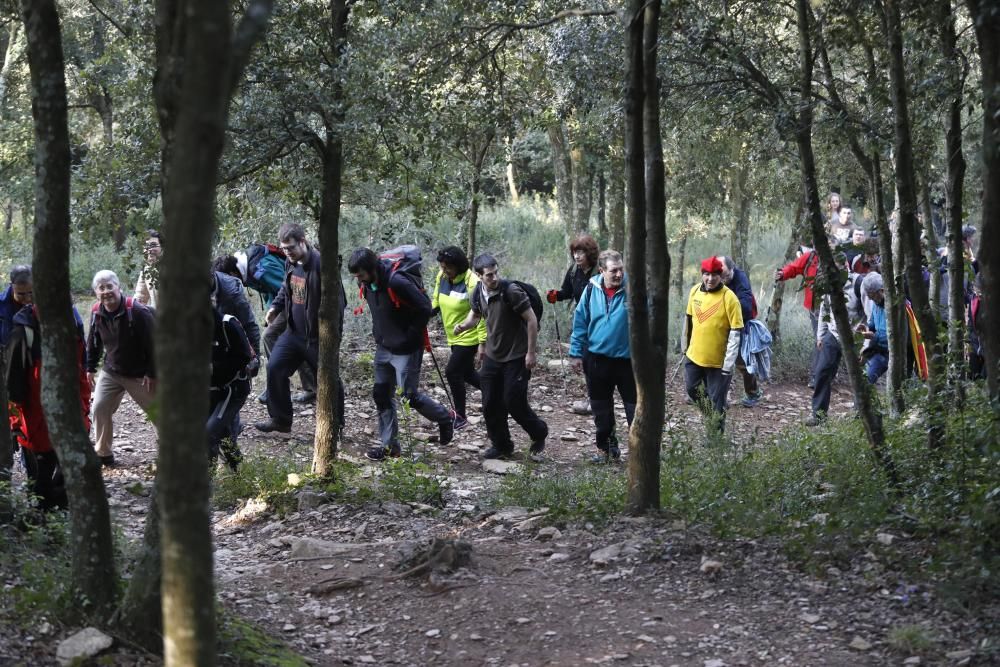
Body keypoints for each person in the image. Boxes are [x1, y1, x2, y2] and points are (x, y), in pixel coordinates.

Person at [349, 246, 454, 461]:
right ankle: (390, 447)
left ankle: (445, 418)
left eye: (360, 274)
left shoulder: (397, 281)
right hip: (384, 347)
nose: (358, 279)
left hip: (406, 349)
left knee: (409, 397)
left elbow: (425, 307)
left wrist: (410, 336)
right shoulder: (368, 283)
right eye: (356, 276)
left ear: (371, 268)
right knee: (381, 395)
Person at [456, 254, 548, 460]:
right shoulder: (477, 293)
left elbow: (531, 320)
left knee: (513, 401)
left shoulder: (511, 291)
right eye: (489, 275)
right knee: (489, 403)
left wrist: (531, 352)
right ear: (479, 276)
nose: (494, 277)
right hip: (492, 355)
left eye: (496, 272)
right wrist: (463, 326)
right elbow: (475, 315)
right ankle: (502, 445)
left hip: (517, 356)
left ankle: (539, 432)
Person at [6, 297, 91, 509]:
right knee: (42, 468)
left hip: (69, 410)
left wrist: (84, 405)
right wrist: (16, 423)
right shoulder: (22, 334)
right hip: (36, 417)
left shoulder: (71, 326)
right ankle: (41, 516)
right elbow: (13, 385)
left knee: (68, 463)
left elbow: (79, 369)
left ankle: (60, 510)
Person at [568, 250, 635, 463]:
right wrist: (576, 353)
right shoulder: (591, 289)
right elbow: (580, 323)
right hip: (596, 360)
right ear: (601, 270)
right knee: (601, 410)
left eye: (621, 269)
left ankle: (642, 453)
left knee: (635, 409)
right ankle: (607, 450)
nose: (618, 274)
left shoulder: (633, 290)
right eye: (613, 271)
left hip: (628, 362)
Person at [255, 224, 322, 433]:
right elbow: (286, 287)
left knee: (330, 381)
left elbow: (338, 303)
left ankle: (335, 427)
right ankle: (281, 420)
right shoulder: (290, 263)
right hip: (294, 332)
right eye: (284, 249)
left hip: (316, 337)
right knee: (275, 368)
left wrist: (330, 336)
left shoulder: (320, 265)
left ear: (303, 241)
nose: (287, 253)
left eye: (290, 248)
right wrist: (275, 306)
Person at [86, 270, 157, 467]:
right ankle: (103, 453)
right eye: (101, 288)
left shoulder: (137, 311)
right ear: (96, 292)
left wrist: (152, 372)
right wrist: (90, 367)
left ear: (119, 288)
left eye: (110, 286)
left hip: (140, 374)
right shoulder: (96, 312)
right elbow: (93, 341)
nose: (106, 291)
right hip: (112, 371)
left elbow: (155, 344)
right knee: (99, 407)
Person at [683, 257, 743, 436]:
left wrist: (728, 364)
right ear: (702, 275)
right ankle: (711, 417)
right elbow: (688, 322)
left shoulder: (729, 298)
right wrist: (684, 348)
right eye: (707, 274)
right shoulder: (694, 292)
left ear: (721, 276)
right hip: (694, 356)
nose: (710, 279)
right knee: (692, 391)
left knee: (718, 401)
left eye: (715, 275)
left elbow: (735, 334)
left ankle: (715, 438)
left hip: (719, 363)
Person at [432, 246, 487, 430]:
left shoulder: (472, 281)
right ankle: (496, 393)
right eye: (442, 267)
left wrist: (482, 343)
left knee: (452, 372)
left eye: (448, 267)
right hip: (453, 336)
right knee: (467, 373)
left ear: (459, 265)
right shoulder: (442, 278)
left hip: (468, 336)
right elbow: (436, 300)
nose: (444, 271)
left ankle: (460, 415)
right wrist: (425, 314)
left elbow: (480, 314)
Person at [546, 234, 599, 415]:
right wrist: (555, 295)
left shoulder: (599, 271)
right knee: (585, 359)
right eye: (575, 252)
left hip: (600, 321)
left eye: (581, 252)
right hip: (582, 321)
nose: (577, 256)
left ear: (589, 253)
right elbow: (567, 292)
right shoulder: (573, 271)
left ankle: (598, 399)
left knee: (596, 360)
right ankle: (593, 398)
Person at [207, 301, 254, 470]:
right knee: (221, 433)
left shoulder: (228, 325)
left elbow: (244, 357)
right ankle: (238, 470)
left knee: (209, 433)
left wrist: (213, 368)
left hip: (233, 390)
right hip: (209, 391)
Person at [717, 256, 762, 407]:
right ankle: (716, 395)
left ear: (732, 269)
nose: (723, 280)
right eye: (721, 276)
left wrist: (726, 311)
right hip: (718, 324)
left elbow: (746, 305)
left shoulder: (741, 278)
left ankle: (753, 393)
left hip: (739, 323)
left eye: (726, 276)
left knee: (741, 361)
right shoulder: (714, 276)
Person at [775, 247, 819, 386]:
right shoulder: (810, 257)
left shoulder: (838, 257)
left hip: (834, 308)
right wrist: (782, 274)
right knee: (820, 340)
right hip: (815, 307)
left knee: (828, 341)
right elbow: (794, 267)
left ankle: (823, 374)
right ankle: (816, 377)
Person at [806, 289, 844, 427]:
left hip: (854, 336)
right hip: (833, 335)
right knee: (821, 371)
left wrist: (865, 345)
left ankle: (861, 414)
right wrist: (821, 336)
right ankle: (819, 415)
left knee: (861, 376)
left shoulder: (857, 285)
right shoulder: (829, 289)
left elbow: (868, 314)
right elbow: (824, 311)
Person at [856, 272, 889, 384]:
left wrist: (874, 336)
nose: (871, 300)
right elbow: (873, 325)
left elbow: (892, 335)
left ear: (882, 290)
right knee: (864, 381)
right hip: (879, 350)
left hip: (895, 353)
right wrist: (866, 328)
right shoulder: (876, 303)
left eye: (873, 296)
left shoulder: (896, 306)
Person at [134, 230, 163, 309]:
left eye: (153, 245)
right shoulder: (146, 269)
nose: (149, 249)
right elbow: (140, 298)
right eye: (146, 246)